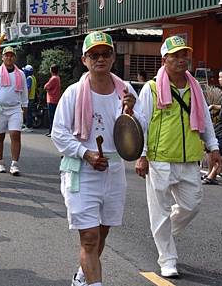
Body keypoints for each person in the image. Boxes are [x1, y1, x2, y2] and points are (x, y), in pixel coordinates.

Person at [52, 31, 144, 286]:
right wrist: (86, 154)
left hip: (113, 171)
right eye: (94, 55)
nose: (100, 59)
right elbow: (58, 133)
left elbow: (140, 130)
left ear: (113, 57)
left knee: (102, 231)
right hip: (82, 171)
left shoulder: (126, 92)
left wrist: (133, 111)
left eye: (105, 54)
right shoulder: (73, 93)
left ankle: (82, 275)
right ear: (85, 60)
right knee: (90, 237)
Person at [135, 35, 221, 278]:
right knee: (159, 210)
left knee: (191, 204)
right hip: (159, 158)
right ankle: (167, 259)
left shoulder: (195, 88)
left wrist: (213, 148)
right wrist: (141, 156)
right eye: (176, 56)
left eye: (185, 55)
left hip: (189, 159)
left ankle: (162, 233)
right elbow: (142, 125)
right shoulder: (151, 88)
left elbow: (204, 120)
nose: (182, 60)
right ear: (165, 60)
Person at [0, 46, 28, 175]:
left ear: (14, 58)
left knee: (15, 135)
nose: (9, 58)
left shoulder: (20, 74)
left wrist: (25, 107)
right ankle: (0, 162)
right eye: (6, 55)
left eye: (11, 55)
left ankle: (15, 164)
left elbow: (24, 92)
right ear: (2, 57)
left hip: (15, 108)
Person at [44, 64, 61, 137]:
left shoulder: (53, 78)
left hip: (51, 99)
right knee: (53, 116)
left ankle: (52, 132)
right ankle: (51, 131)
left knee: (51, 117)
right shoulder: (58, 77)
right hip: (56, 98)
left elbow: (46, 86)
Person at [23, 64, 37, 131]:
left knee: (28, 112)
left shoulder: (29, 78)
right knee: (30, 112)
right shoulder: (33, 77)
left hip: (29, 98)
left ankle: (28, 126)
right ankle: (30, 125)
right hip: (32, 97)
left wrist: (26, 97)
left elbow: (28, 88)